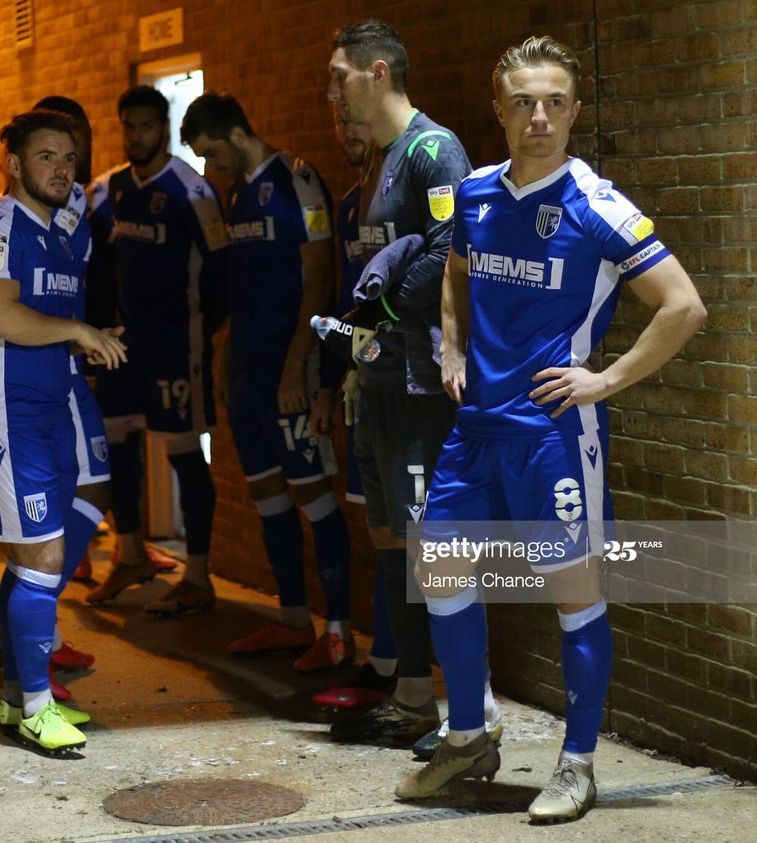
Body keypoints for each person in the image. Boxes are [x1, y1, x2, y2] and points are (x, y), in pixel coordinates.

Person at [395, 37, 707, 822]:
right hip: (476, 429)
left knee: (574, 592)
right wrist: (456, 344)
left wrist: (602, 380)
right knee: (438, 567)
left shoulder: (596, 206)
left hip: (554, 434)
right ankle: (468, 734)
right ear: (498, 110)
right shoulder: (471, 195)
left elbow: (683, 306)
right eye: (523, 102)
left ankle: (577, 763)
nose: (540, 117)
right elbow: (458, 271)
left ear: (574, 111)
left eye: (555, 102)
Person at [325, 19, 490, 746]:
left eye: (341, 75)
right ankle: (413, 698)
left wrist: (383, 309)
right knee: (391, 536)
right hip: (381, 381)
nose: (332, 89)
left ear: (380, 72)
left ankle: (468, 711)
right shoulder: (382, 160)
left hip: (425, 384)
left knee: (433, 545)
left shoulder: (434, 149)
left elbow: (457, 248)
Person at [0, 109, 127, 755]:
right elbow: (1, 316)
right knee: (43, 556)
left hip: (55, 404)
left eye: (68, 158)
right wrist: (79, 332)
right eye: (46, 156)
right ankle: (35, 707)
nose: (61, 168)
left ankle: (15, 689)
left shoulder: (59, 233)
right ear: (15, 164)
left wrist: (95, 337)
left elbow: (52, 320)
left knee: (52, 538)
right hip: (9, 414)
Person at [183, 92, 356, 670]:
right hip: (249, 373)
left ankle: (336, 634)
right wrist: (227, 352)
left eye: (212, 153)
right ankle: (290, 620)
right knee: (267, 492)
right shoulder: (234, 195)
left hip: (291, 372)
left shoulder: (297, 180)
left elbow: (320, 279)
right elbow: (243, 286)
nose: (212, 168)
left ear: (235, 132)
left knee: (313, 494)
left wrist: (294, 366)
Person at [84, 86, 229, 616]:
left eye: (146, 125)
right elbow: (93, 265)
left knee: (183, 452)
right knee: (117, 445)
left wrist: (203, 331)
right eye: (129, 126)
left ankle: (197, 575)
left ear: (163, 129)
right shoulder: (105, 190)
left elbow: (219, 271)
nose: (136, 135)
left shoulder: (194, 190)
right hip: (120, 346)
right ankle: (128, 554)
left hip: (175, 344)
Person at [311, 109, 398, 707]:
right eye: (340, 120)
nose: (349, 131)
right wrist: (333, 377)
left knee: (406, 533)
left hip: (408, 388)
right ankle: (386, 663)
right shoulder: (345, 205)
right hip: (363, 387)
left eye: (358, 119)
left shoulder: (412, 197)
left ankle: (403, 674)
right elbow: (345, 302)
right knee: (379, 529)